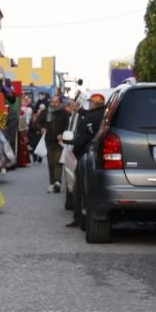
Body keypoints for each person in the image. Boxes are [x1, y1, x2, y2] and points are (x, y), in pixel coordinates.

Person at [66, 92, 107, 226]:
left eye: (90, 102)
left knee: (80, 190)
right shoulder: (107, 116)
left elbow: (82, 138)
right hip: (104, 159)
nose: (89, 104)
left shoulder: (90, 118)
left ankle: (80, 219)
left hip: (86, 156)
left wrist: (76, 148)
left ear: (94, 103)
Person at [44, 93, 70, 192]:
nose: (54, 104)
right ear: (50, 102)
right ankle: (52, 183)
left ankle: (57, 182)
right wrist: (41, 128)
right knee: (51, 163)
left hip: (59, 142)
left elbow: (68, 125)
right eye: (53, 102)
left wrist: (63, 134)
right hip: (48, 141)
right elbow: (37, 122)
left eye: (56, 102)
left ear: (59, 103)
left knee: (58, 162)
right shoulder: (46, 112)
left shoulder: (64, 113)